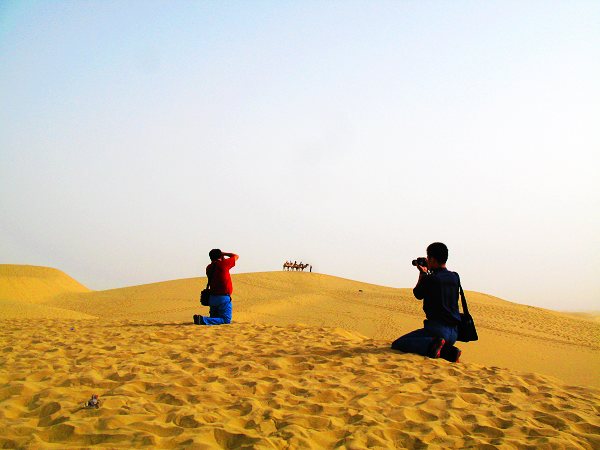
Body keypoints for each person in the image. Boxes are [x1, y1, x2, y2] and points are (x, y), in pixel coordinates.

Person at [391, 242, 462, 362]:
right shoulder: (455, 276)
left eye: (428, 258)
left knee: (399, 343)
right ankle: (449, 352)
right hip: (454, 332)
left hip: (437, 330)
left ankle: (436, 344)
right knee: (433, 343)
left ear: (433, 259)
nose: (427, 260)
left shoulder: (430, 279)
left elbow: (418, 294)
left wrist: (422, 274)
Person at [193, 249, 239, 326]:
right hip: (223, 298)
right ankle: (203, 319)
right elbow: (236, 256)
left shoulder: (209, 267)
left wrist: (221, 256)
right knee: (225, 320)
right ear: (220, 256)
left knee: (214, 319)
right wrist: (224, 254)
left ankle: (203, 320)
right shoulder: (224, 264)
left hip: (212, 298)